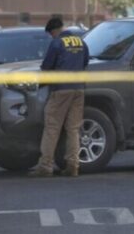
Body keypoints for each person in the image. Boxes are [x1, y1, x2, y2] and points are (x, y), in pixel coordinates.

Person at [29, 18, 90, 178]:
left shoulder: (57, 43)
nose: (51, 37)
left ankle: (45, 166)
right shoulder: (80, 42)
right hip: (79, 89)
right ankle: (73, 166)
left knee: (52, 127)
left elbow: (46, 67)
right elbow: (85, 63)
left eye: (51, 34)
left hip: (61, 90)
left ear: (54, 30)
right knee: (73, 129)